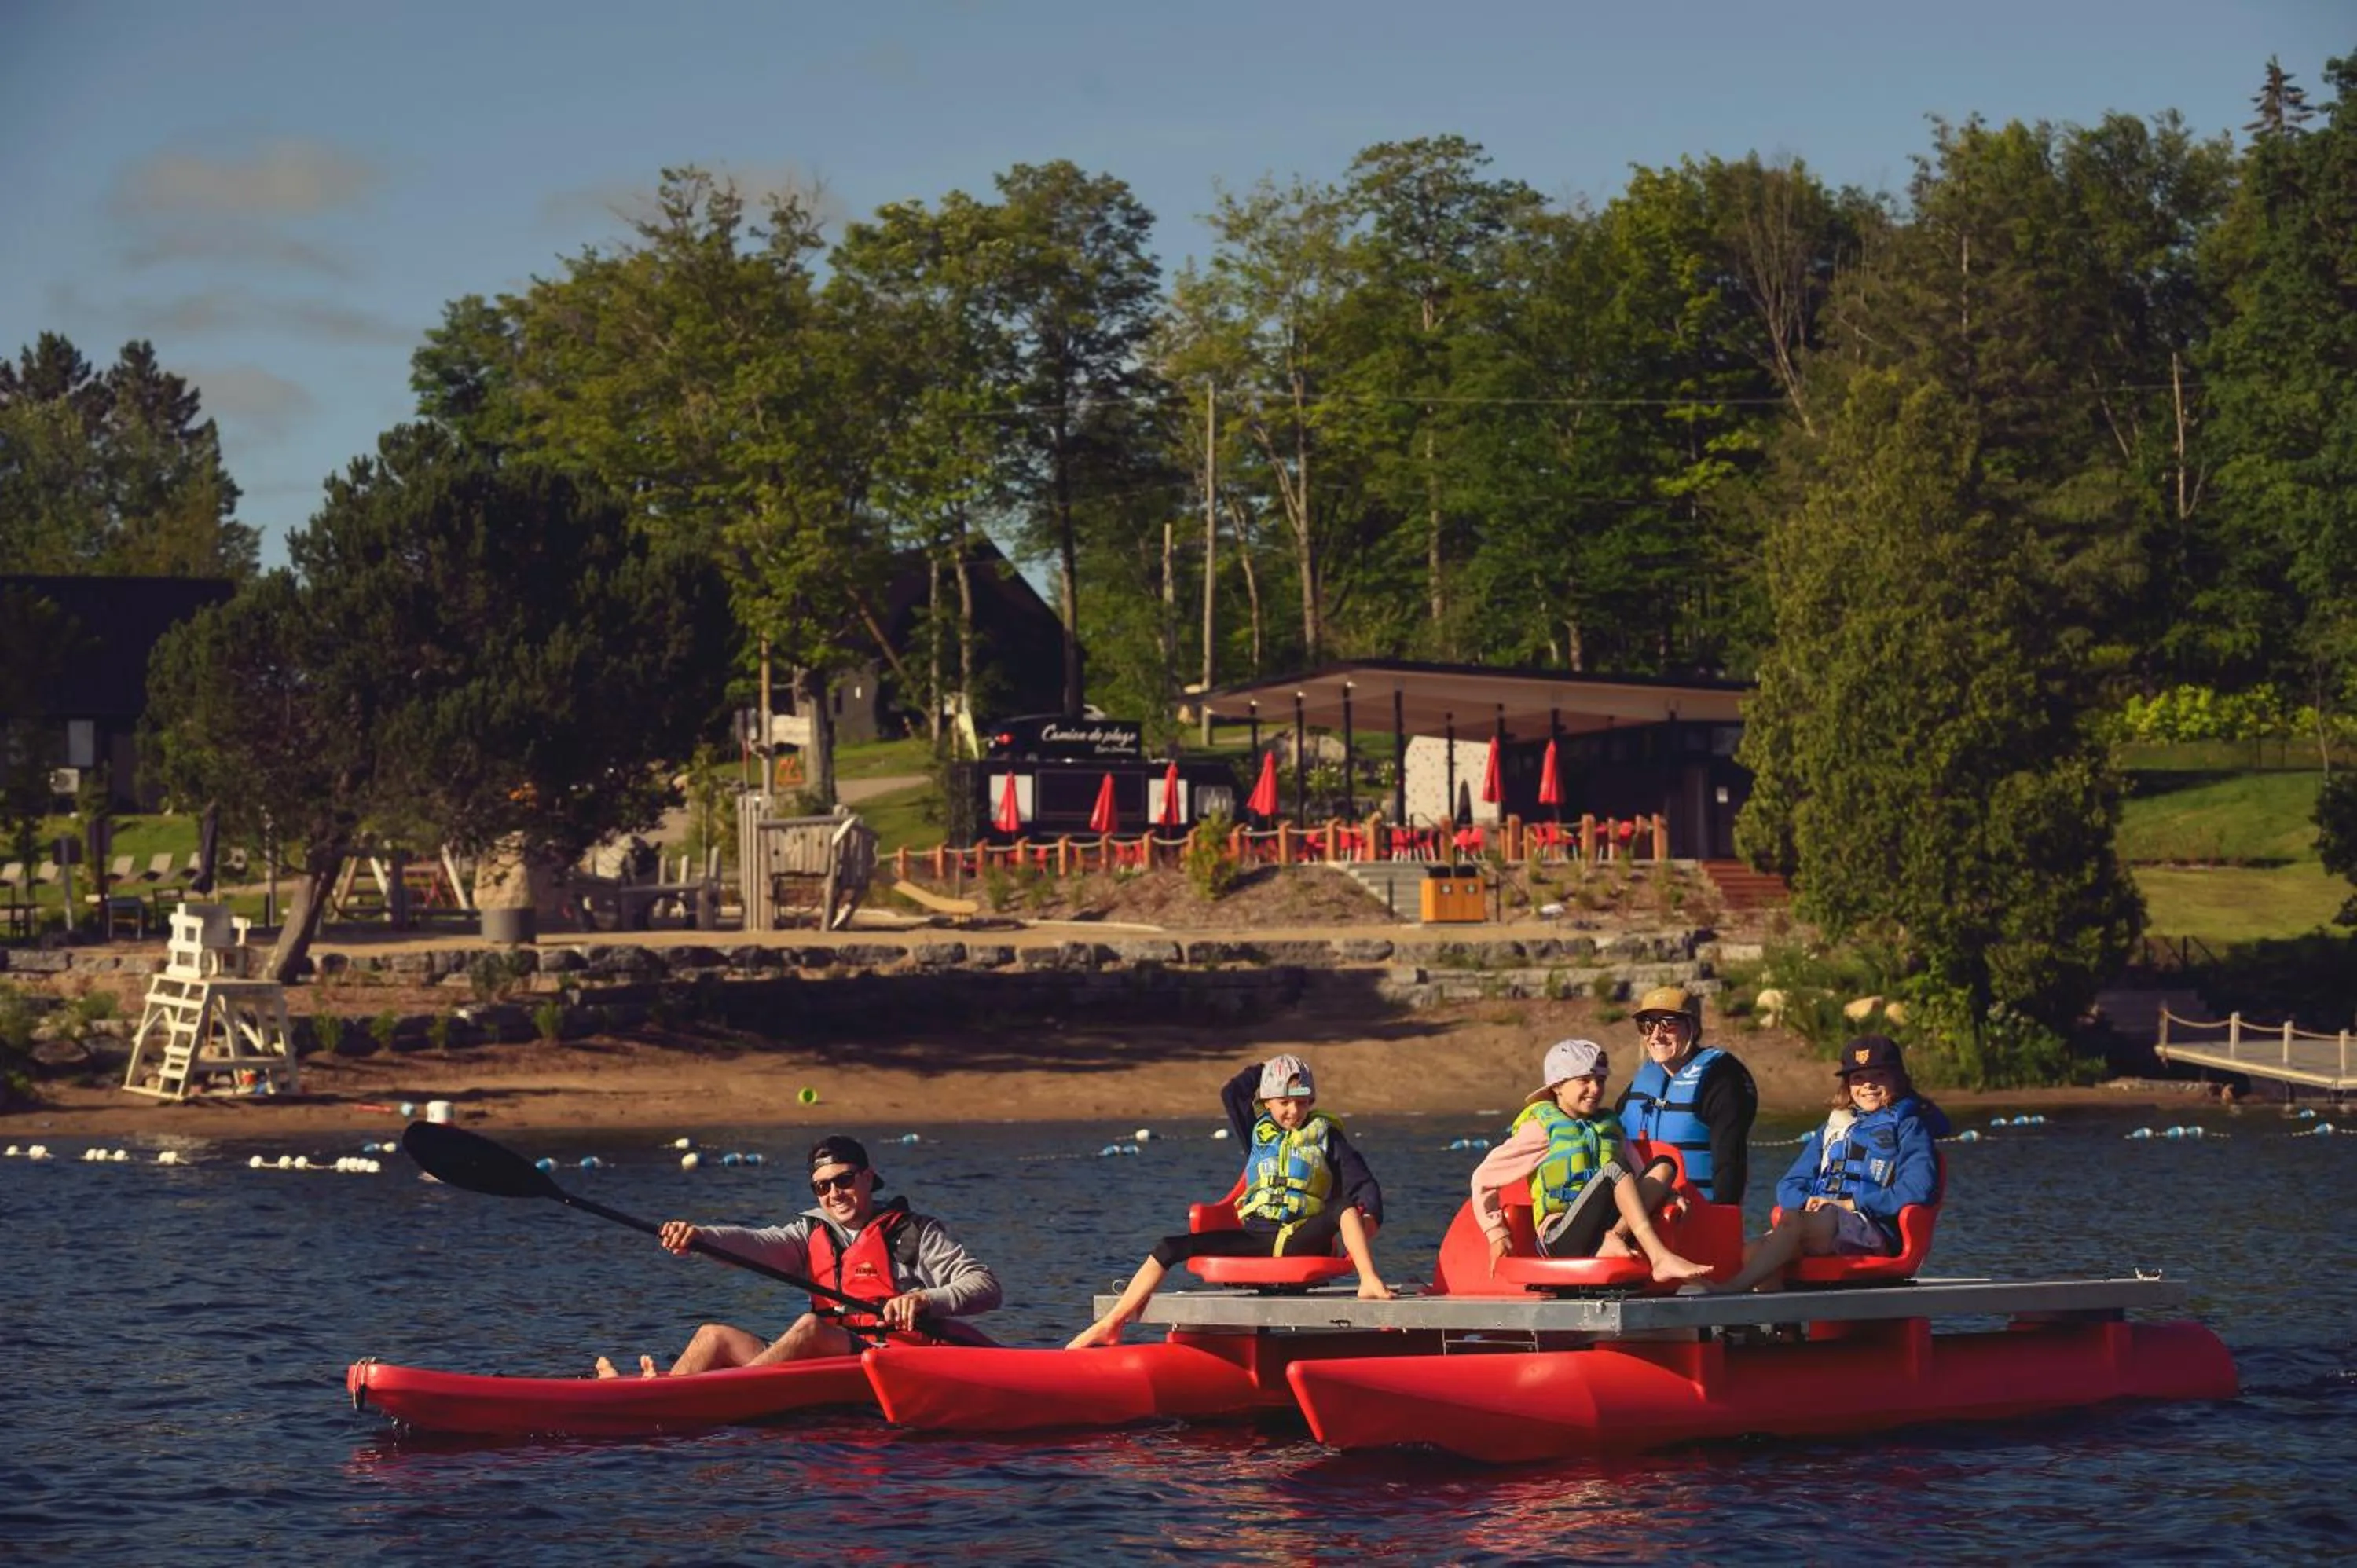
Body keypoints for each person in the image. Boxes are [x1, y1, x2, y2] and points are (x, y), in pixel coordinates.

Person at [596, 1134, 1002, 1377]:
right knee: (712, 1336)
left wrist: (924, 1299)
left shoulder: (913, 1233)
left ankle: (722, 1393)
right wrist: (700, 1236)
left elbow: (985, 1286)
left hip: (891, 1362)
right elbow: (755, 1244)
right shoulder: (809, 1233)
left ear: (867, 1177)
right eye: (822, 1187)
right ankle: (658, 1394)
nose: (834, 1194)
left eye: (844, 1180)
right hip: (828, 1363)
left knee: (810, 1328)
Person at [1066, 1053, 1395, 1349]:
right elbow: (1233, 1092)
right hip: (1254, 1236)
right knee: (1168, 1247)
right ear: (1266, 1101)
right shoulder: (1256, 1131)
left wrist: (1369, 1219)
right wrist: (1272, 1069)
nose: (1294, 1111)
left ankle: (1368, 1280)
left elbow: (1364, 1184)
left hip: (1299, 1237)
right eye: (1284, 1101)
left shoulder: (1327, 1137)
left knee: (1342, 1207)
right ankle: (1112, 1324)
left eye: (1302, 1102)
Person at [1708, 1035, 1947, 1294]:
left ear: (1898, 1079)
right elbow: (1790, 1184)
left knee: (1793, 1223)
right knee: (1752, 1252)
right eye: (1858, 1077)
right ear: (1848, 1084)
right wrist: (1807, 1203)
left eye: (1879, 1075)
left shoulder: (1910, 1127)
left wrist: (1851, 1204)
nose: (1868, 1085)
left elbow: (1919, 1188)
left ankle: (1731, 1289)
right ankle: (1780, 1318)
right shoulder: (1834, 1128)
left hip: (1872, 1230)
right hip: (1822, 1223)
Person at [1468, 1038, 1714, 1283]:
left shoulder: (1609, 1127)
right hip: (1561, 1237)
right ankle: (1659, 1257)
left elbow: (1638, 1178)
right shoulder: (1540, 1130)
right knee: (1614, 1170)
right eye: (1584, 1080)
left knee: (1664, 1167)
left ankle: (1613, 1240)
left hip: (1609, 1228)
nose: (1595, 1089)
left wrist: (1667, 1196)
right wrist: (1496, 1233)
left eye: (1600, 1080)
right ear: (1557, 1086)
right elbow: (1483, 1178)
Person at [1615, 984, 1758, 1211]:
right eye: (1647, 1025)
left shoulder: (1721, 1079)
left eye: (1668, 1024)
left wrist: (1723, 1219)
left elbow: (1730, 1161)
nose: (1656, 1035)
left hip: (1695, 1213)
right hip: (1639, 1212)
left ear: (1693, 1027)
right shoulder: (1645, 1079)